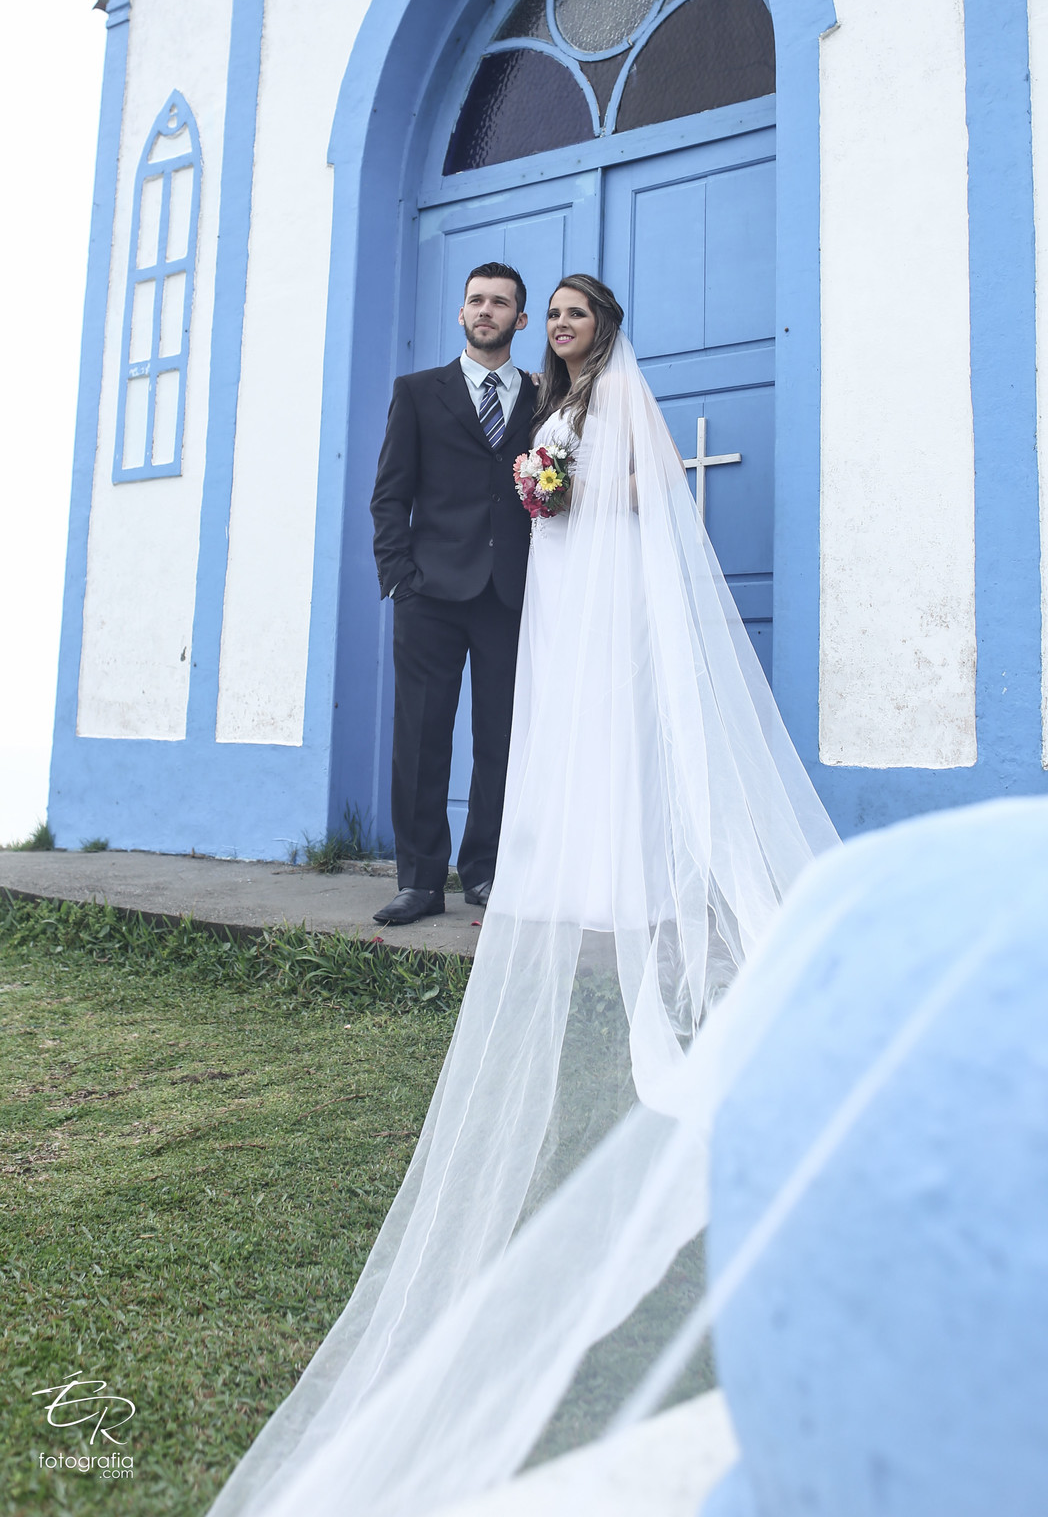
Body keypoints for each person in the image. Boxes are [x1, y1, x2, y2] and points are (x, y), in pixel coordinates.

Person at [207, 278, 839, 1517]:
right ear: (477, 314)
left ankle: (519, 862)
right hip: (480, 586)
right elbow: (401, 488)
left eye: (558, 313)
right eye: (520, 308)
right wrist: (405, 565)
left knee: (532, 741)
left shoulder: (587, 400)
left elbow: (637, 489)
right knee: (444, 737)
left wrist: (562, 489)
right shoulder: (477, 394)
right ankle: (420, 873)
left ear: (594, 326)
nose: (540, 324)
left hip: (564, 587)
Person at [369, 262, 536, 924]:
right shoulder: (417, 392)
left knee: (500, 739)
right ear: (461, 313)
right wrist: (399, 580)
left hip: (510, 593)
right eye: (476, 300)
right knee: (421, 737)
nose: (486, 310)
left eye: (500, 303)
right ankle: (419, 880)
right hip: (430, 593)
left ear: (520, 320)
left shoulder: (542, 395)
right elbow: (390, 495)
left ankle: (485, 870)